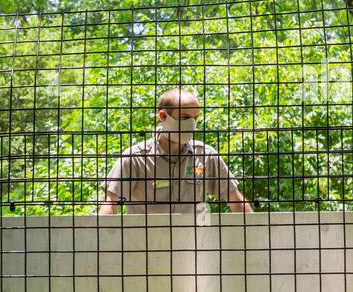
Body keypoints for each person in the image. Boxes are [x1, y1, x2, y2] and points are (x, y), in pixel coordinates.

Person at [98, 87, 253, 215]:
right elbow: (110, 205)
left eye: (195, 118)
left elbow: (236, 200)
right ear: (163, 116)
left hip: (195, 245)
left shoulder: (206, 156)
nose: (191, 124)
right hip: (145, 245)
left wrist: (256, 240)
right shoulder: (134, 159)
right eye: (185, 117)